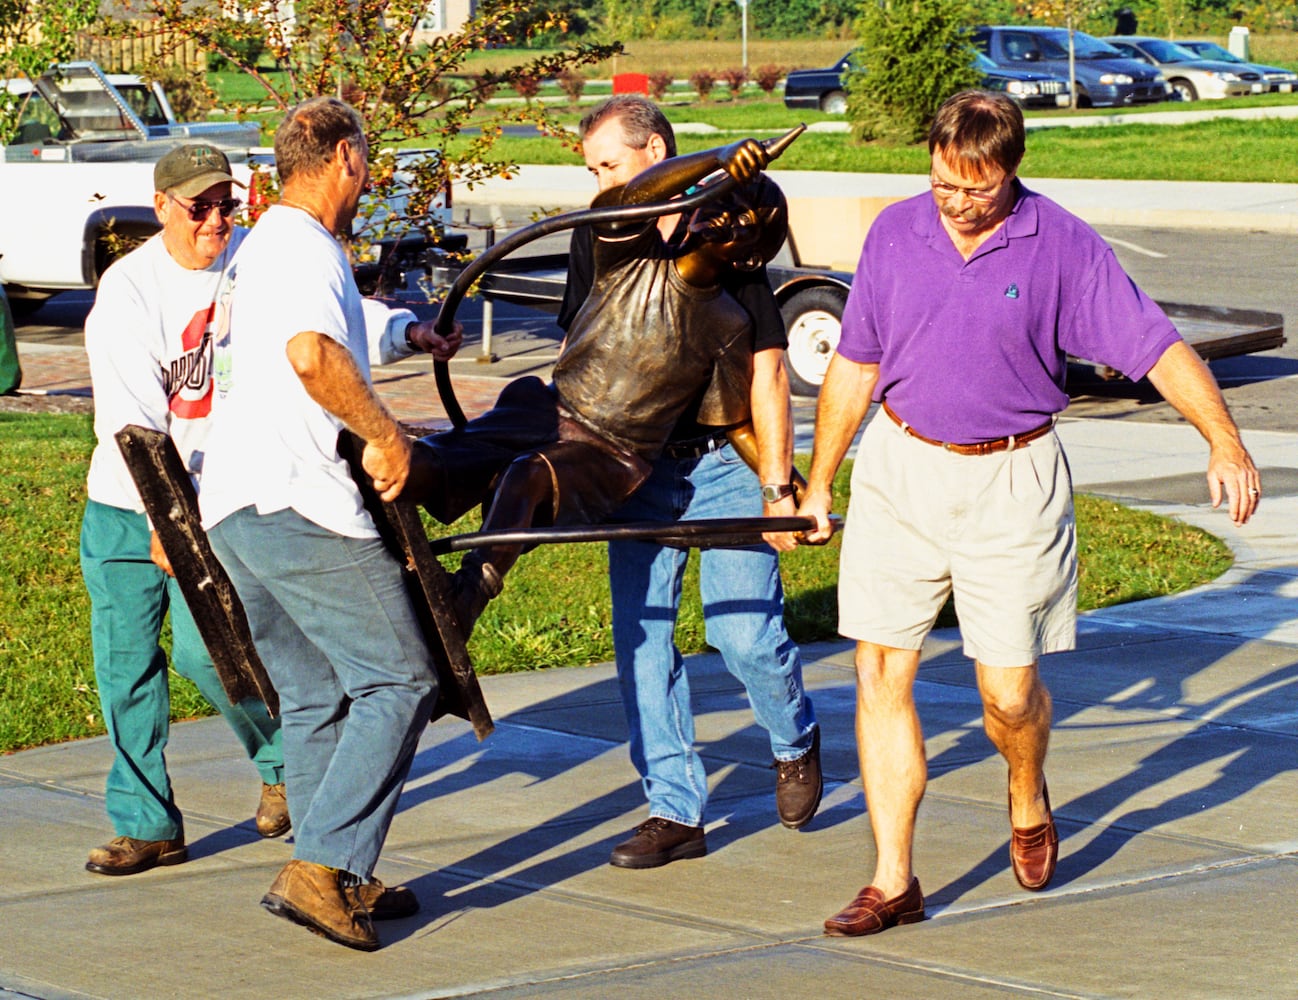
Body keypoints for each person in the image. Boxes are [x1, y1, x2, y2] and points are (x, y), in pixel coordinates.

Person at [799, 90, 1260, 937]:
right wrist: (819, 480)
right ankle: (893, 879)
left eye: (975, 189)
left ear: (1011, 170)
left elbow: (1154, 345)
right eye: (942, 184)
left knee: (1007, 695)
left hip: (1013, 478)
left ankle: (1025, 786)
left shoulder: (1062, 244)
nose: (956, 204)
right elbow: (856, 365)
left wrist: (1223, 440)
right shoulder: (896, 233)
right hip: (901, 467)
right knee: (879, 671)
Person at [199, 97, 453, 952]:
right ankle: (321, 867)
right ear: (345, 156)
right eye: (367, 158)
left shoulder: (262, 246)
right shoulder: (303, 245)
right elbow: (312, 355)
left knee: (313, 697)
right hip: (300, 500)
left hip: (235, 506)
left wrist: (410, 331)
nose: (369, 174)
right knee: (402, 679)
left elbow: (332, 331)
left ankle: (334, 868)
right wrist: (387, 436)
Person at [407, 134, 795, 686]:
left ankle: (466, 598)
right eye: (719, 201)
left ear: (751, 254)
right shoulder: (629, 256)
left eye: (743, 220)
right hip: (548, 408)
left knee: (527, 477)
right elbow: (633, 198)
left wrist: (785, 485)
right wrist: (717, 158)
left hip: (614, 453)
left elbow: (732, 420)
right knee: (436, 459)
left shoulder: (729, 323)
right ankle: (379, 547)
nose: (723, 219)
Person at [558, 95, 821, 870]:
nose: (598, 182)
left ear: (657, 150)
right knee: (642, 641)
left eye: (609, 165)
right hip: (637, 466)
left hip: (722, 464)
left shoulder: (728, 229)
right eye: (592, 170)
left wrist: (778, 486)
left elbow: (770, 367)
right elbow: (588, 359)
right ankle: (674, 811)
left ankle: (794, 737)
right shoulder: (602, 235)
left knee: (745, 635)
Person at [80, 143, 288, 878]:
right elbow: (132, 424)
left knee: (215, 652)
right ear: (163, 205)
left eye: (225, 204)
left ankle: (283, 762)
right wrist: (163, 523)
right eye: (198, 206)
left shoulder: (252, 266)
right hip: (128, 505)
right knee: (126, 667)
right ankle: (147, 825)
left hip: (221, 498)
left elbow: (327, 314)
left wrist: (405, 332)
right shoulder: (129, 292)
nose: (214, 219)